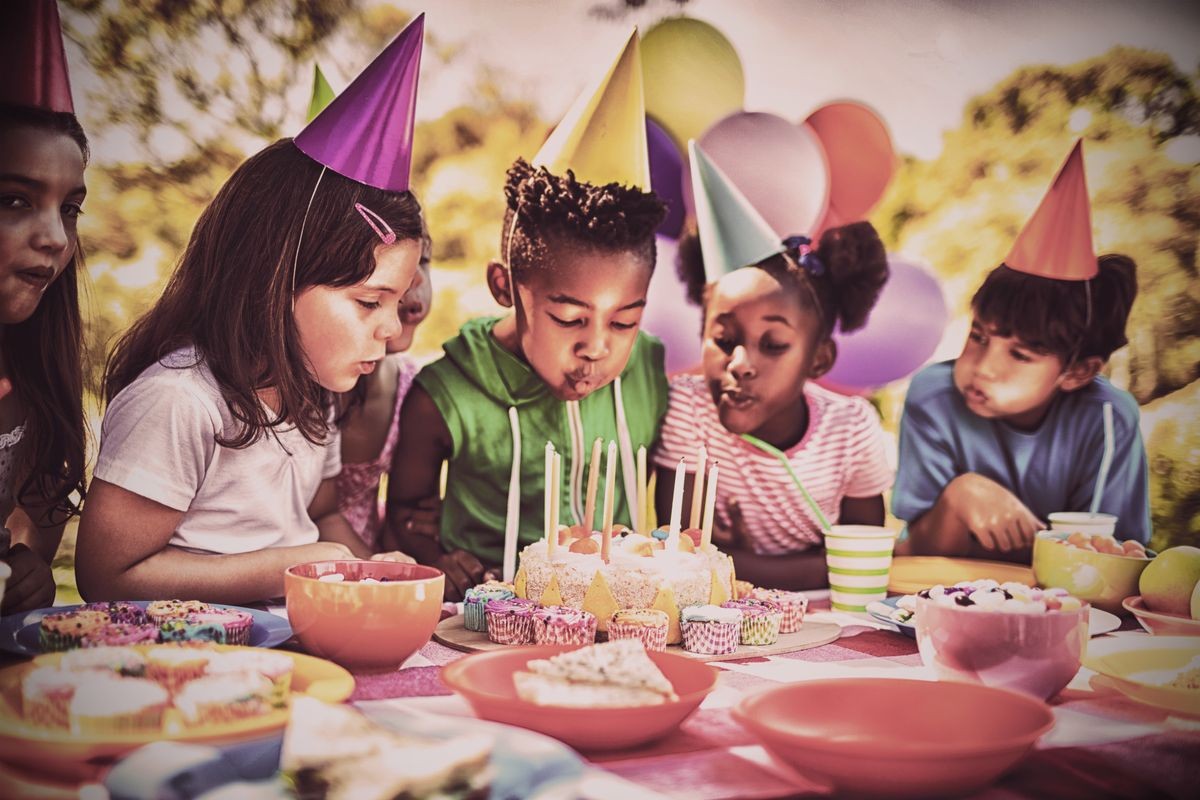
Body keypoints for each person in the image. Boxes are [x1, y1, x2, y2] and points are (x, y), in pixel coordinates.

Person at [76, 17, 429, 603]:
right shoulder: (181, 401)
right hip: (187, 665)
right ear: (274, 280)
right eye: (370, 301)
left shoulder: (316, 394)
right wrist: (284, 569)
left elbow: (322, 517)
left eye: (396, 302)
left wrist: (371, 573)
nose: (392, 330)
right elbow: (106, 577)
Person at [384, 32, 669, 600]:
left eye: (624, 322)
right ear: (504, 287)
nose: (597, 347)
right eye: (569, 319)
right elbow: (407, 515)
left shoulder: (650, 373)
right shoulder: (446, 396)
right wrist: (438, 558)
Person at [893, 140, 1150, 561]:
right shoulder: (933, 396)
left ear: (1078, 371)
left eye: (1021, 354)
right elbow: (915, 555)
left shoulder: (1106, 417)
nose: (983, 368)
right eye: (979, 336)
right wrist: (960, 497)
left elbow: (1106, 562)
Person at [654, 142, 893, 591]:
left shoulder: (851, 428)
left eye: (774, 344)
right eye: (723, 340)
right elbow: (681, 559)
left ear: (818, 358)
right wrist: (813, 564)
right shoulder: (690, 409)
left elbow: (863, 567)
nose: (740, 364)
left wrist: (730, 562)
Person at [0, 2, 89, 612]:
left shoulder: (37, 372)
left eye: (69, 208)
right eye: (13, 200)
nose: (55, 237)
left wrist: (24, 573)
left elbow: (28, 543)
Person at [336, 231, 433, 550]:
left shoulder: (411, 387)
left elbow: (407, 510)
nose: (415, 279)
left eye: (424, 261)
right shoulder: (299, 390)